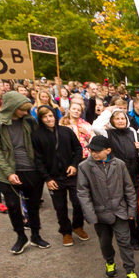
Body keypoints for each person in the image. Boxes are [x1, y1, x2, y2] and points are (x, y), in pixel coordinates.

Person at [0, 92, 50, 254]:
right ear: (12, 107)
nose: (25, 113)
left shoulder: (29, 120)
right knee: (13, 206)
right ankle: (21, 237)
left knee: (33, 205)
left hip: (31, 170)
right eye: (21, 110)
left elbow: (39, 142)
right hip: (8, 172)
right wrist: (8, 173)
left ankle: (35, 235)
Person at [77, 135, 139, 278]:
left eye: (98, 151)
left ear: (108, 150)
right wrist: (91, 215)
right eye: (91, 150)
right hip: (100, 214)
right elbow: (83, 193)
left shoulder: (119, 164)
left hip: (120, 212)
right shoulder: (84, 167)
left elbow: (129, 188)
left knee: (125, 242)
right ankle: (109, 261)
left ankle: (130, 270)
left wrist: (132, 210)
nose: (94, 153)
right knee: (105, 242)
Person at [33, 104, 87, 246]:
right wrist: (47, 179)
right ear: (41, 118)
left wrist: (74, 165)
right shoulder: (37, 135)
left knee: (78, 202)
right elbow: (37, 159)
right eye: (45, 117)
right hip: (54, 177)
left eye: (50, 115)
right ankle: (66, 232)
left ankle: (77, 226)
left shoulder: (66, 131)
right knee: (60, 207)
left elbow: (77, 148)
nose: (49, 119)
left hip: (71, 174)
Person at [95, 107, 139, 248]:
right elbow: (95, 126)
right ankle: (132, 238)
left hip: (137, 177)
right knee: (125, 209)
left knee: (138, 208)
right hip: (118, 178)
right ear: (112, 120)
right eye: (117, 118)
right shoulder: (107, 134)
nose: (120, 121)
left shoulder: (134, 133)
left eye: (122, 118)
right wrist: (108, 111)